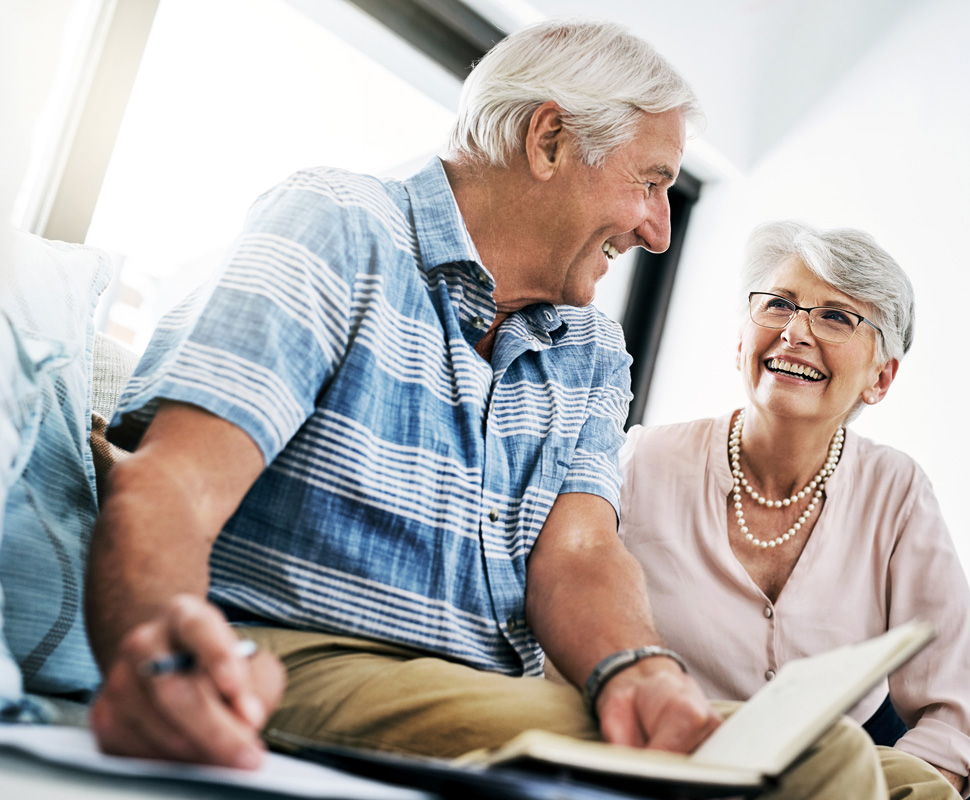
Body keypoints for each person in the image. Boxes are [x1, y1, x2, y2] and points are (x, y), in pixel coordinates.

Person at [84, 20, 889, 800]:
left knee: (904, 779)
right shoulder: (340, 224)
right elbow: (176, 480)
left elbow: (579, 553)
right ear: (549, 141)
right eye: (650, 182)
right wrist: (159, 658)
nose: (657, 231)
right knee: (818, 763)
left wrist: (637, 667)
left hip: (470, 689)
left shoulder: (592, 348)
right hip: (294, 658)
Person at [619, 220, 970, 798]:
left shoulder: (897, 490)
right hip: (671, 763)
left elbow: (959, 717)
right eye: (778, 304)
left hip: (833, 770)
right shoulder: (643, 461)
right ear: (741, 341)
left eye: (836, 317)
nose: (795, 331)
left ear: (880, 378)